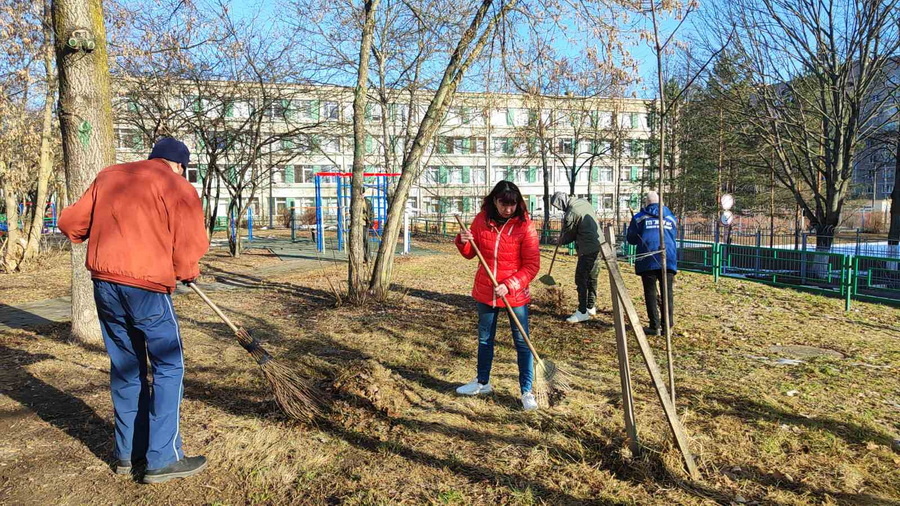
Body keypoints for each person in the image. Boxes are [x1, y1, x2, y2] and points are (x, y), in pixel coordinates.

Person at [58, 137, 210, 484]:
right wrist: (187, 270)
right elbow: (190, 242)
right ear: (179, 165)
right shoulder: (177, 185)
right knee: (169, 365)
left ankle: (127, 454)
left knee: (127, 367)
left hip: (105, 285)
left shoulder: (110, 176)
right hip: (147, 288)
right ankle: (163, 458)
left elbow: (70, 224)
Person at [454, 181, 541, 411]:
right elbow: (470, 254)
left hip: (515, 293)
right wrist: (463, 241)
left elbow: (532, 266)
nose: (508, 209)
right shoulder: (481, 220)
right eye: (504, 204)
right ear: (494, 200)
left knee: (522, 342)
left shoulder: (525, 226)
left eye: (513, 204)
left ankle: (527, 390)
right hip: (486, 289)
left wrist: (509, 285)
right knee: (485, 339)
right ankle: (482, 382)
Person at [626, 191, 678, 336]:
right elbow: (673, 235)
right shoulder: (671, 217)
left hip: (647, 259)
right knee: (667, 293)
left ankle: (654, 326)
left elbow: (631, 239)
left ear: (646, 203)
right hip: (668, 258)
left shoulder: (639, 218)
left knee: (650, 292)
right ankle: (668, 326)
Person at [550, 191, 602, 323]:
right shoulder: (583, 202)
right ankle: (591, 306)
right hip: (600, 245)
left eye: (557, 207)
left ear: (561, 203)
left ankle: (582, 312)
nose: (559, 209)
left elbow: (570, 234)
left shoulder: (571, 212)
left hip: (587, 248)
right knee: (592, 277)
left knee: (581, 279)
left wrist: (560, 240)